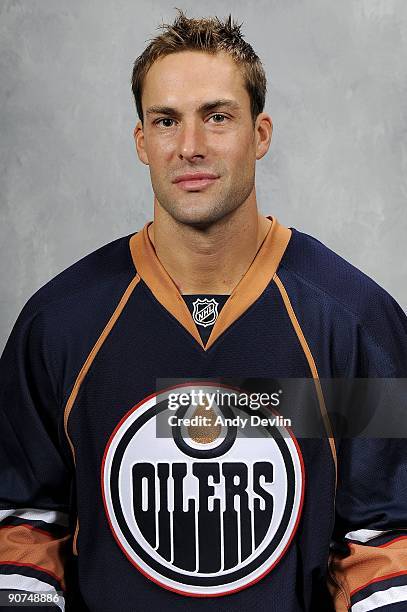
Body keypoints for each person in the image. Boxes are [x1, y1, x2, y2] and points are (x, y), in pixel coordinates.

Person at [1, 8, 406, 612]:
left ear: (260, 133)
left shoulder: (353, 323)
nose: (190, 146)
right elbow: (24, 529)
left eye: (217, 118)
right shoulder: (59, 325)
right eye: (166, 121)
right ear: (142, 141)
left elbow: (384, 539)